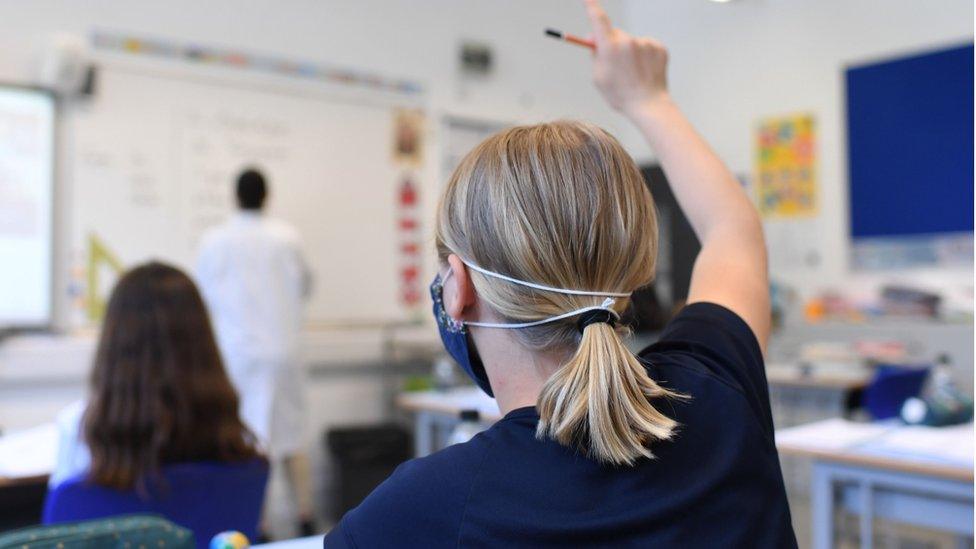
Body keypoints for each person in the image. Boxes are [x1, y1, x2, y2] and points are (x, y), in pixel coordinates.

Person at [323, 1, 796, 547]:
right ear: (626, 265)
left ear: (459, 288)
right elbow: (733, 230)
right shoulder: (717, 393)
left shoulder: (421, 514)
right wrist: (648, 98)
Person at [50, 262, 261, 490]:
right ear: (204, 343)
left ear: (113, 345)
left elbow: (64, 520)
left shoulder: (77, 431)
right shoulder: (241, 452)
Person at [196, 168, 315, 535]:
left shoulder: (215, 241)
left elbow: (203, 295)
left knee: (248, 441)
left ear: (235, 196)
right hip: (283, 352)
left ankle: (257, 525)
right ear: (266, 196)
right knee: (291, 434)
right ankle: (306, 518)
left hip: (238, 357)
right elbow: (306, 286)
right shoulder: (287, 238)